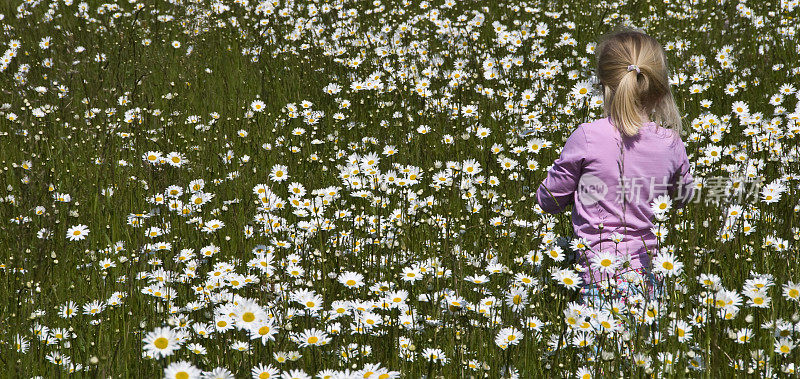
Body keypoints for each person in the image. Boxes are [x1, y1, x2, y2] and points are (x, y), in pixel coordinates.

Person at [534, 26, 695, 311]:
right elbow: (683, 197)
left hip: (597, 276)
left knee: (601, 349)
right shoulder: (670, 143)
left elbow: (549, 200)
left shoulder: (587, 136)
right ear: (659, 89)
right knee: (643, 350)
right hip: (648, 275)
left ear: (605, 86)